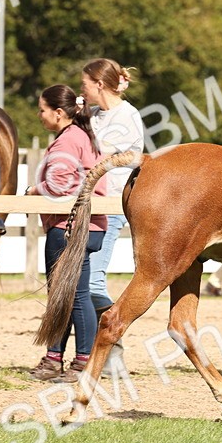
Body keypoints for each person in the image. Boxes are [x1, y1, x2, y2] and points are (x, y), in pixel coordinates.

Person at [27, 85, 108, 382]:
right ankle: (57, 357)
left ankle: (81, 361)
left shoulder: (66, 142)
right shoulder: (84, 137)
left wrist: (33, 190)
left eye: (42, 109)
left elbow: (59, 186)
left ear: (58, 113)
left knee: (73, 295)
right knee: (68, 294)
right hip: (88, 225)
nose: (40, 115)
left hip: (69, 226)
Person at [81, 57, 144, 376]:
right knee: (84, 278)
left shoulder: (127, 115)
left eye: (85, 84)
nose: (83, 89)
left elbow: (134, 157)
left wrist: (97, 161)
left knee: (93, 279)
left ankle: (113, 349)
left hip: (111, 203)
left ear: (99, 84)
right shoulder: (93, 115)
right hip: (89, 201)